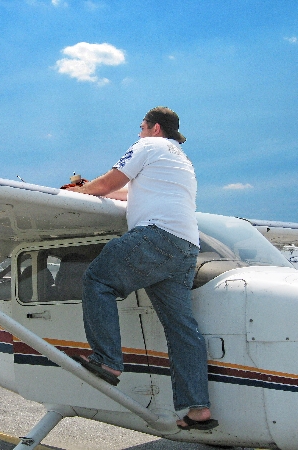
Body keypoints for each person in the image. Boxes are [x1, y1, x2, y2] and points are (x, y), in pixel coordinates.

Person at [66, 106, 217, 431]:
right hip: (185, 247)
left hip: (156, 237)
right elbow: (125, 192)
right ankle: (197, 410)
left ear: (155, 128)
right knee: (181, 329)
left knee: (97, 279)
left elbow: (107, 185)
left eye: (142, 127)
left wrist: (77, 191)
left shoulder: (148, 146)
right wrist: (88, 186)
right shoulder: (181, 161)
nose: (138, 133)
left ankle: (107, 361)